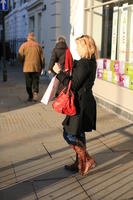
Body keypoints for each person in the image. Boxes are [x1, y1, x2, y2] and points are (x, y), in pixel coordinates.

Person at [53, 35, 98, 176]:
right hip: (82, 101)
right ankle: (80, 163)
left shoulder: (85, 64)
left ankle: (87, 159)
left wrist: (59, 73)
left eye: (79, 45)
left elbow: (73, 85)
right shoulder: (89, 62)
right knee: (79, 133)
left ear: (85, 47)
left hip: (81, 103)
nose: (76, 48)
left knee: (68, 134)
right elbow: (77, 75)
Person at [18, 32, 45, 102]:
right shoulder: (38, 46)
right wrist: (43, 67)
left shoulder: (23, 45)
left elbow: (20, 56)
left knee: (28, 82)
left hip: (26, 67)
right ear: (34, 38)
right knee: (36, 81)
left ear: (28, 38)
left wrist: (21, 62)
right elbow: (42, 58)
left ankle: (30, 95)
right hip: (36, 67)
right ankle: (35, 94)